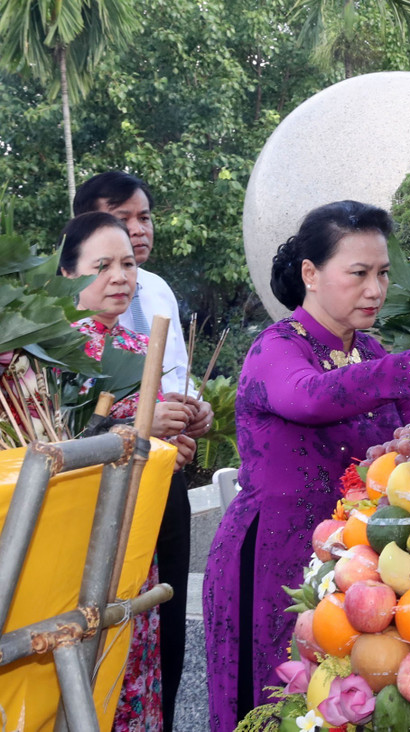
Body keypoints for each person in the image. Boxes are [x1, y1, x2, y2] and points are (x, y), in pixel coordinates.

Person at [202, 201, 410, 730]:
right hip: (272, 559)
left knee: (340, 708)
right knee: (274, 708)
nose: (375, 289)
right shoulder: (276, 347)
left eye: (381, 273)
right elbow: (311, 398)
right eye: (358, 274)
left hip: (351, 568)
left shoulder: (370, 351)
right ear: (311, 274)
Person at [73, 172, 211, 730]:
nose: (121, 272)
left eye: (143, 218)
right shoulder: (42, 347)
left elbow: (174, 382)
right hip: (87, 510)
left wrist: (188, 420)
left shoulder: (155, 295)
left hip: (158, 487)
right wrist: (142, 429)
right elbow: (51, 439)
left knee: (159, 616)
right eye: (103, 264)